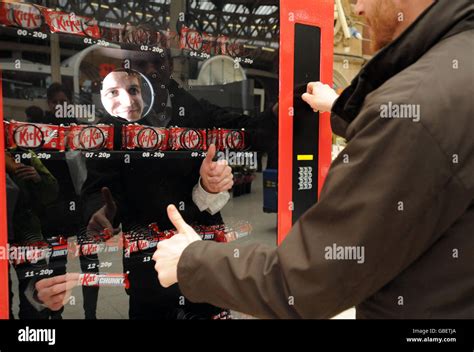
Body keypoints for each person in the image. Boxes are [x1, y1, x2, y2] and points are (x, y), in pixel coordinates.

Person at [152, 0, 474, 318]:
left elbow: (309, 280)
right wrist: (340, 107)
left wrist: (192, 261)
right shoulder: (454, 73)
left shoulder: (418, 101)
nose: (358, 10)